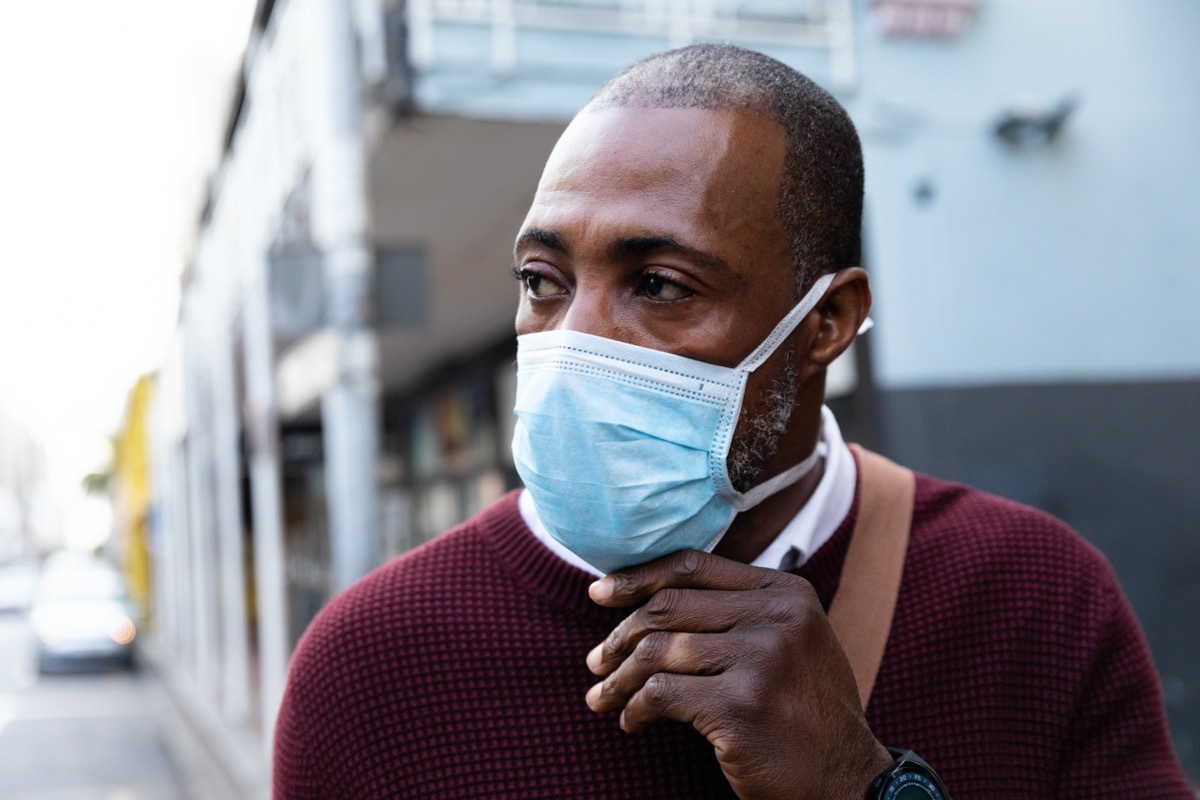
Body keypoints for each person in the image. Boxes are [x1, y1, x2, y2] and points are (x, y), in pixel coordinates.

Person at [272, 44, 1192, 799]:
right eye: (543, 281)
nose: (574, 342)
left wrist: (858, 782)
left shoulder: (1038, 600)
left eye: (660, 284)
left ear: (826, 323)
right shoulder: (372, 665)